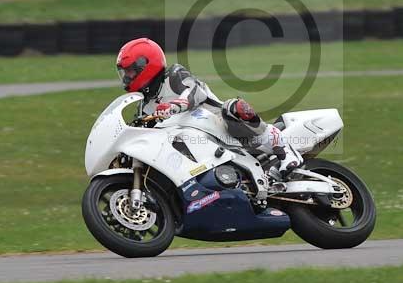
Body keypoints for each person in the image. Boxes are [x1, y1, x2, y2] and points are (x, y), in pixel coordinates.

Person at [116, 37, 302, 179]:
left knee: (234, 108)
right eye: (124, 73)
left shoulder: (174, 75)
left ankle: (285, 150)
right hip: (191, 148)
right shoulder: (144, 106)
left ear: (145, 66)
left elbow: (194, 93)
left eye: (130, 71)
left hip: (218, 125)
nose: (126, 78)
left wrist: (172, 107)